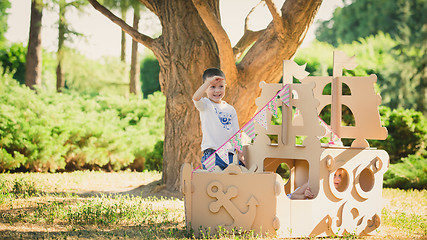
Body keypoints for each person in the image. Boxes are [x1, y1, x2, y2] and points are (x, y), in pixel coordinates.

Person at [192, 68, 245, 170]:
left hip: (230, 154)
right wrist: (208, 82)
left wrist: (240, 153)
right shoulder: (205, 105)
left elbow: (236, 133)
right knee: (214, 183)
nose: (217, 91)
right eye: (212, 87)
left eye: (221, 86)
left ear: (225, 86)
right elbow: (195, 98)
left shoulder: (230, 109)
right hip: (213, 154)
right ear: (206, 88)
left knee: (232, 182)